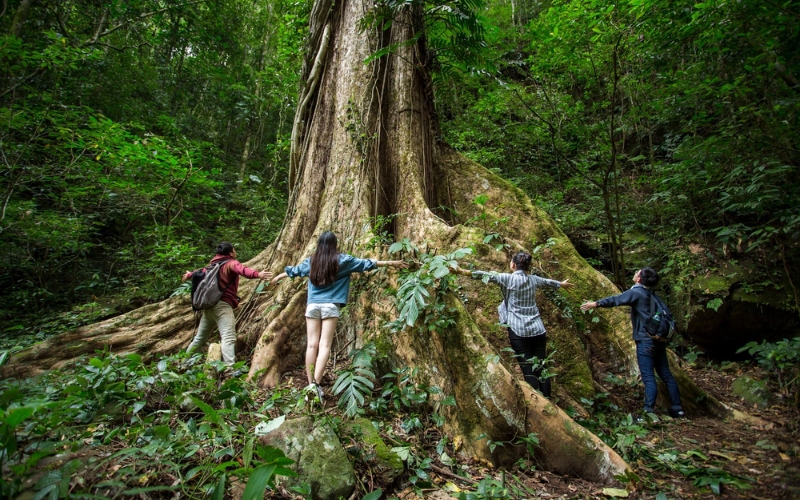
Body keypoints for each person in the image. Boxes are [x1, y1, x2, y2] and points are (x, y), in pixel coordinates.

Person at [270, 231, 407, 400]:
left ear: (319, 244)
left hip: (312, 305)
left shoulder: (312, 261)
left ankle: (309, 384)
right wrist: (392, 262)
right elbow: (367, 264)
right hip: (330, 305)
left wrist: (279, 275)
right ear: (335, 244)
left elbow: (296, 271)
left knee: (312, 345)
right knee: (325, 345)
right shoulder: (343, 260)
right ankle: (315, 386)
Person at [457, 251, 575, 397]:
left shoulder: (507, 279)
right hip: (538, 329)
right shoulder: (533, 279)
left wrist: (462, 271)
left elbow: (484, 275)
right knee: (542, 367)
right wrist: (561, 284)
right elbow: (547, 282)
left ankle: (539, 402)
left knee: (528, 369)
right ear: (527, 266)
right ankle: (548, 398)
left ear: (513, 264)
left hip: (518, 331)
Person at [580, 267, 685, 418]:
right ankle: (677, 408)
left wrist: (595, 304)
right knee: (667, 375)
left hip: (645, 341)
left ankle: (648, 412)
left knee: (648, 377)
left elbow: (617, 299)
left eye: (638, 272)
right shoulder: (652, 295)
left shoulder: (636, 292)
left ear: (639, 279)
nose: (636, 273)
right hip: (658, 341)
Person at [182, 242, 272, 368]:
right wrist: (258, 274)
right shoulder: (231, 263)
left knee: (199, 338)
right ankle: (230, 368)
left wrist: (189, 275)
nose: (235, 252)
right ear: (230, 252)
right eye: (234, 249)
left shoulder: (212, 265)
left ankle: (184, 365)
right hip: (222, 306)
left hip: (208, 307)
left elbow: (199, 272)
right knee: (228, 336)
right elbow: (243, 270)